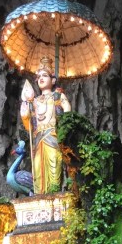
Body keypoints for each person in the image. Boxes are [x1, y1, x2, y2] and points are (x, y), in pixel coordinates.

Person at [20, 56, 71, 195]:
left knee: (54, 166)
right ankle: (39, 196)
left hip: (53, 136)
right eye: (39, 77)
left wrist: (65, 124)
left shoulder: (58, 97)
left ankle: (54, 194)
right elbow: (28, 125)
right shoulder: (34, 101)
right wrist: (25, 114)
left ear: (53, 80)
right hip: (38, 138)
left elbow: (68, 114)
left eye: (45, 75)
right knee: (38, 169)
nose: (41, 78)